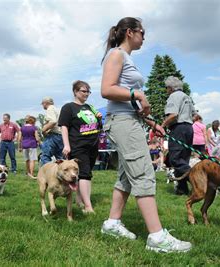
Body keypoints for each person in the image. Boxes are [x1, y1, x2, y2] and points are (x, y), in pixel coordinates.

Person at [100, 17, 191, 253]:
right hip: (122, 124)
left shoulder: (125, 57)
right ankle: (157, 237)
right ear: (130, 32)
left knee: (127, 176)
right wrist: (138, 94)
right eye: (142, 32)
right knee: (143, 173)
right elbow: (106, 90)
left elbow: (125, 102)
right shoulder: (116, 54)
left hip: (130, 120)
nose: (144, 37)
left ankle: (112, 223)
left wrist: (151, 122)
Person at [59, 80, 102, 214]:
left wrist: (99, 119)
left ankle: (79, 200)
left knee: (87, 174)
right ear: (75, 92)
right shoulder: (68, 107)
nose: (87, 94)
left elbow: (96, 126)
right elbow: (64, 127)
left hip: (93, 145)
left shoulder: (90, 107)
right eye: (84, 91)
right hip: (78, 145)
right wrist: (66, 145)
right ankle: (88, 206)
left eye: (88, 91)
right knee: (84, 174)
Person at [161, 76, 196, 196]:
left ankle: (198, 179)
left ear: (170, 88)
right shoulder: (187, 97)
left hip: (178, 128)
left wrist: (163, 125)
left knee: (175, 159)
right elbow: (195, 115)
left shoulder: (174, 96)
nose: (166, 90)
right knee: (184, 159)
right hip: (189, 128)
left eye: (166, 88)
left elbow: (173, 115)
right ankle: (182, 189)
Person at [40, 97, 63, 165]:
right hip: (60, 135)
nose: (42, 105)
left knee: (45, 156)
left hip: (53, 135)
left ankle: (46, 174)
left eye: (42, 104)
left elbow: (53, 121)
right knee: (60, 158)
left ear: (45, 103)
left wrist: (43, 130)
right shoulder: (57, 109)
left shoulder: (50, 109)